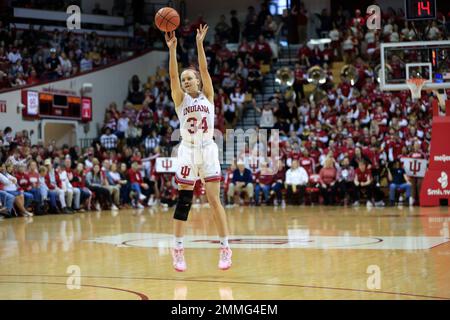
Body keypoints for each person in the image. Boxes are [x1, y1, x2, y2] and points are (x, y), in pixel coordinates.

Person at [165, 25, 232, 272]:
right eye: (184, 79)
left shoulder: (208, 95)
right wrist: (172, 50)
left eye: (189, 78)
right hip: (188, 150)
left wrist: (200, 44)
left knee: (215, 200)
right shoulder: (180, 99)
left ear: (198, 81)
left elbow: (204, 68)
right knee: (185, 200)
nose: (185, 81)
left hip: (207, 148)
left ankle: (225, 247)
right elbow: (172, 77)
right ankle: (178, 249)